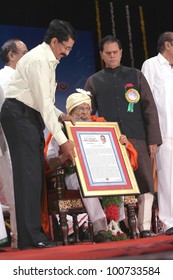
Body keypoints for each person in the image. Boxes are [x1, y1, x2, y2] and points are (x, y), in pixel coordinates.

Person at [0, 19, 77, 250]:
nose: (67, 52)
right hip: (19, 115)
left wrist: (61, 115)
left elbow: (42, 100)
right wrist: (64, 143)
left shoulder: (47, 59)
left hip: (28, 115)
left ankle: (30, 236)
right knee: (28, 178)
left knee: (32, 178)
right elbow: (42, 103)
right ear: (54, 41)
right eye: (66, 47)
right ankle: (32, 236)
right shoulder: (37, 60)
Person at [84, 35, 162, 238]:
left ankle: (144, 227)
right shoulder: (94, 81)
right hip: (109, 142)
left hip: (137, 137)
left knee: (145, 182)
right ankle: (117, 226)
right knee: (114, 182)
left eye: (115, 52)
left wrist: (153, 139)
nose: (112, 56)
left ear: (121, 53)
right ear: (101, 55)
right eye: (107, 53)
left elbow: (149, 108)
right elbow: (87, 112)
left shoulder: (135, 75)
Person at [45, 90, 126, 243]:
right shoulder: (60, 130)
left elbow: (113, 156)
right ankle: (99, 228)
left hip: (100, 171)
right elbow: (50, 162)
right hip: (73, 175)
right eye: (79, 109)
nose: (84, 113)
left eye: (87, 109)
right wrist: (65, 156)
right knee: (86, 179)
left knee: (118, 178)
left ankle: (116, 224)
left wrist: (121, 143)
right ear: (70, 112)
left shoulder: (100, 128)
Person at [141, 31, 173, 235]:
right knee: (167, 179)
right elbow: (146, 102)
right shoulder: (151, 65)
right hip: (164, 133)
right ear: (168, 45)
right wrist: (152, 136)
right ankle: (168, 222)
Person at [0, 39, 28, 249]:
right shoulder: (5, 78)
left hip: (15, 141)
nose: (27, 57)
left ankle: (20, 236)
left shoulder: (19, 78)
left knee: (17, 190)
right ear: (11, 55)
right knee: (14, 191)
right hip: (7, 142)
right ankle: (19, 237)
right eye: (24, 53)